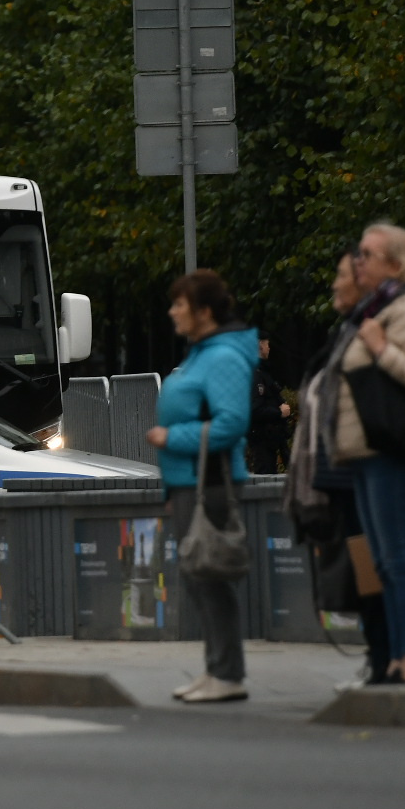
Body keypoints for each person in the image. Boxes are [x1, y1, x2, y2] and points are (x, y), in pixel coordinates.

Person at [333, 222, 405, 684]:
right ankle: (401, 657)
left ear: (396, 265)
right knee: (383, 562)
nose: (358, 261)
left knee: (401, 559)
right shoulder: (371, 309)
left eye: (368, 254)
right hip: (364, 454)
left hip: (392, 453)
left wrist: (381, 350)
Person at [145, 269, 258, 703]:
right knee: (199, 577)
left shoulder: (223, 355)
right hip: (187, 482)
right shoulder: (201, 352)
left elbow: (231, 423)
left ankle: (228, 673)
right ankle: (217, 670)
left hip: (208, 482)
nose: (173, 311)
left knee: (211, 578)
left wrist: (171, 438)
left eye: (180, 304)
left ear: (204, 311)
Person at [246, 331, 291, 475]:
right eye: (267, 344)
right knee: (265, 480)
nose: (269, 348)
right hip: (262, 439)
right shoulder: (255, 374)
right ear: (260, 345)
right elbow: (255, 409)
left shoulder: (264, 372)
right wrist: (279, 412)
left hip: (272, 439)